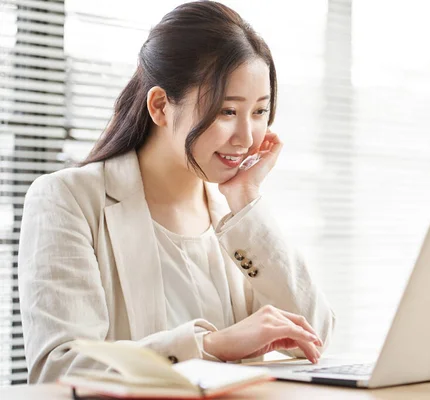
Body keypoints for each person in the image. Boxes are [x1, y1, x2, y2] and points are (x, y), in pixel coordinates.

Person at [18, 0, 335, 384]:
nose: (247, 138)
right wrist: (210, 345)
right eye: (226, 111)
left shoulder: (235, 220)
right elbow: (59, 368)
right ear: (159, 106)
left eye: (259, 112)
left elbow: (313, 337)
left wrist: (247, 200)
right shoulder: (67, 199)